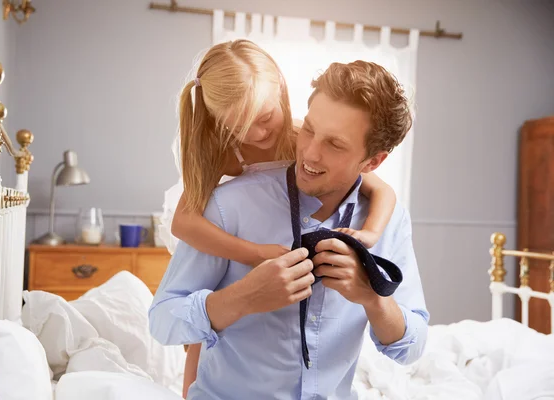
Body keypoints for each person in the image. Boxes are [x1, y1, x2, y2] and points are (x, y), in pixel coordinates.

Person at [149, 58, 429, 399]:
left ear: (373, 162)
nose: (309, 153)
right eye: (309, 129)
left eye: (335, 144)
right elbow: (162, 320)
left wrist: (371, 296)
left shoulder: (388, 220)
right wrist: (244, 296)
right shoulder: (228, 202)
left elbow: (411, 347)